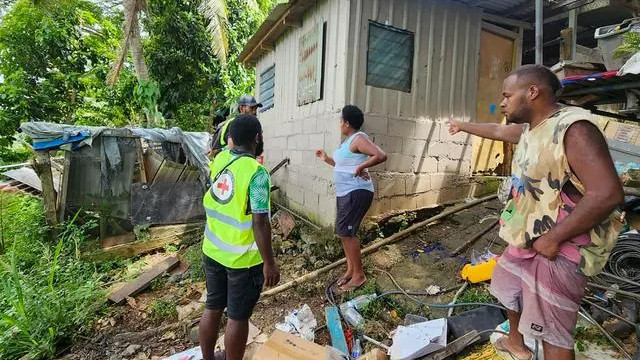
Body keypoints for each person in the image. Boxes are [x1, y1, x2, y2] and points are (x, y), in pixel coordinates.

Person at [448, 65, 624, 360]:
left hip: (562, 247)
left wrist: (554, 239)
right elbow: (496, 130)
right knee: (507, 288)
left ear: (532, 92)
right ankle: (518, 345)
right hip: (528, 237)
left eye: (507, 95)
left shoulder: (574, 128)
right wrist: (462, 125)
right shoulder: (533, 128)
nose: (502, 102)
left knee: (552, 331)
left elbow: (607, 193)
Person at [199, 114, 280, 360]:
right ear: (257, 138)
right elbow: (260, 221)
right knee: (237, 316)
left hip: (212, 251)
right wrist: (269, 262)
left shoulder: (220, 160)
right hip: (242, 261)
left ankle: (208, 358)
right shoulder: (257, 174)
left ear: (231, 139)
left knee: (212, 307)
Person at [315, 105, 387, 292]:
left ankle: (359, 276)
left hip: (356, 192)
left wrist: (362, 167)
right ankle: (351, 269)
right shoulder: (348, 142)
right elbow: (341, 166)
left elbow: (380, 155)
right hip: (346, 193)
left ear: (347, 123)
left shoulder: (358, 139)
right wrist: (326, 159)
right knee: (343, 233)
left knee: (348, 233)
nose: (340, 124)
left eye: (341, 120)